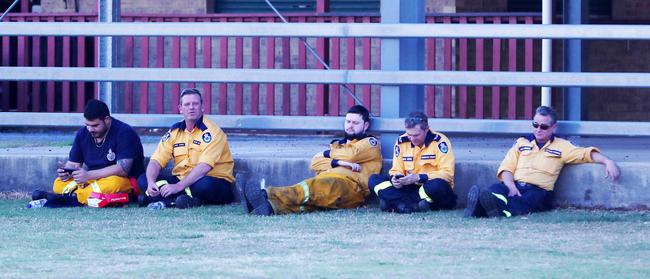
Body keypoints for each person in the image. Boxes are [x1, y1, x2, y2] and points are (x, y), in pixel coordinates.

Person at [465, 106, 621, 218]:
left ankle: (484, 208)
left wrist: (607, 161)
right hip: (514, 185)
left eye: (544, 126)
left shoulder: (562, 146)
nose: (538, 129)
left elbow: (586, 154)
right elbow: (507, 167)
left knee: (527, 201)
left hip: (538, 190)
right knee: (495, 189)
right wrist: (511, 186)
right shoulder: (521, 143)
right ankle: (491, 205)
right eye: (535, 125)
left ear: (553, 127)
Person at [239, 105, 382, 215]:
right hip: (326, 180)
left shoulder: (370, 143)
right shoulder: (338, 144)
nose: (350, 126)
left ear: (366, 125)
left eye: (355, 123)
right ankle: (269, 207)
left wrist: (328, 155)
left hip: (350, 188)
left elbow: (351, 155)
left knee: (310, 188)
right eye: (348, 121)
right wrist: (338, 162)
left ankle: (265, 194)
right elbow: (315, 162)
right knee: (308, 201)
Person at [29, 99, 145, 208]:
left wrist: (89, 175)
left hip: (122, 181)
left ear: (107, 120)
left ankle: (64, 199)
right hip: (92, 181)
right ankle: (77, 197)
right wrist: (67, 172)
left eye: (95, 125)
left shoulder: (124, 133)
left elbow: (123, 170)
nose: (90, 129)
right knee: (58, 183)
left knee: (114, 183)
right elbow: (74, 164)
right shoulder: (82, 134)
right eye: (87, 125)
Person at [137, 88, 234, 209]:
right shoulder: (174, 131)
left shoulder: (213, 132)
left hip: (212, 181)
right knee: (143, 179)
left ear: (202, 107)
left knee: (204, 186)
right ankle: (186, 200)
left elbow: (204, 168)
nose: (191, 107)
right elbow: (156, 161)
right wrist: (151, 182)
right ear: (180, 108)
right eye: (187, 104)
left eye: (195, 104)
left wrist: (178, 187)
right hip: (182, 181)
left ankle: (164, 200)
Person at [368, 112, 456, 214]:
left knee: (438, 185)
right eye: (409, 135)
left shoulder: (440, 142)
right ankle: (413, 206)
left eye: (416, 135)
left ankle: (395, 203)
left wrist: (419, 177)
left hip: (429, 187)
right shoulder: (401, 142)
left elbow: (448, 174)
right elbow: (396, 169)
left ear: (426, 130)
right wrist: (395, 179)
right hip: (408, 188)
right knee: (374, 179)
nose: (412, 139)